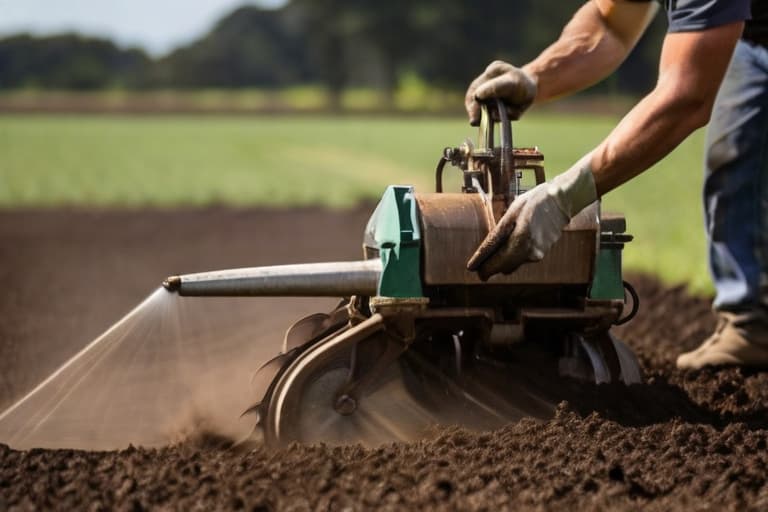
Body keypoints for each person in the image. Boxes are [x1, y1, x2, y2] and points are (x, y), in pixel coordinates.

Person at [464, 0, 767, 369]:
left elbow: (687, 97)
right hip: (750, 36)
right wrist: (534, 78)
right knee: (734, 161)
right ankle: (750, 323)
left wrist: (562, 198)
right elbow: (612, 27)